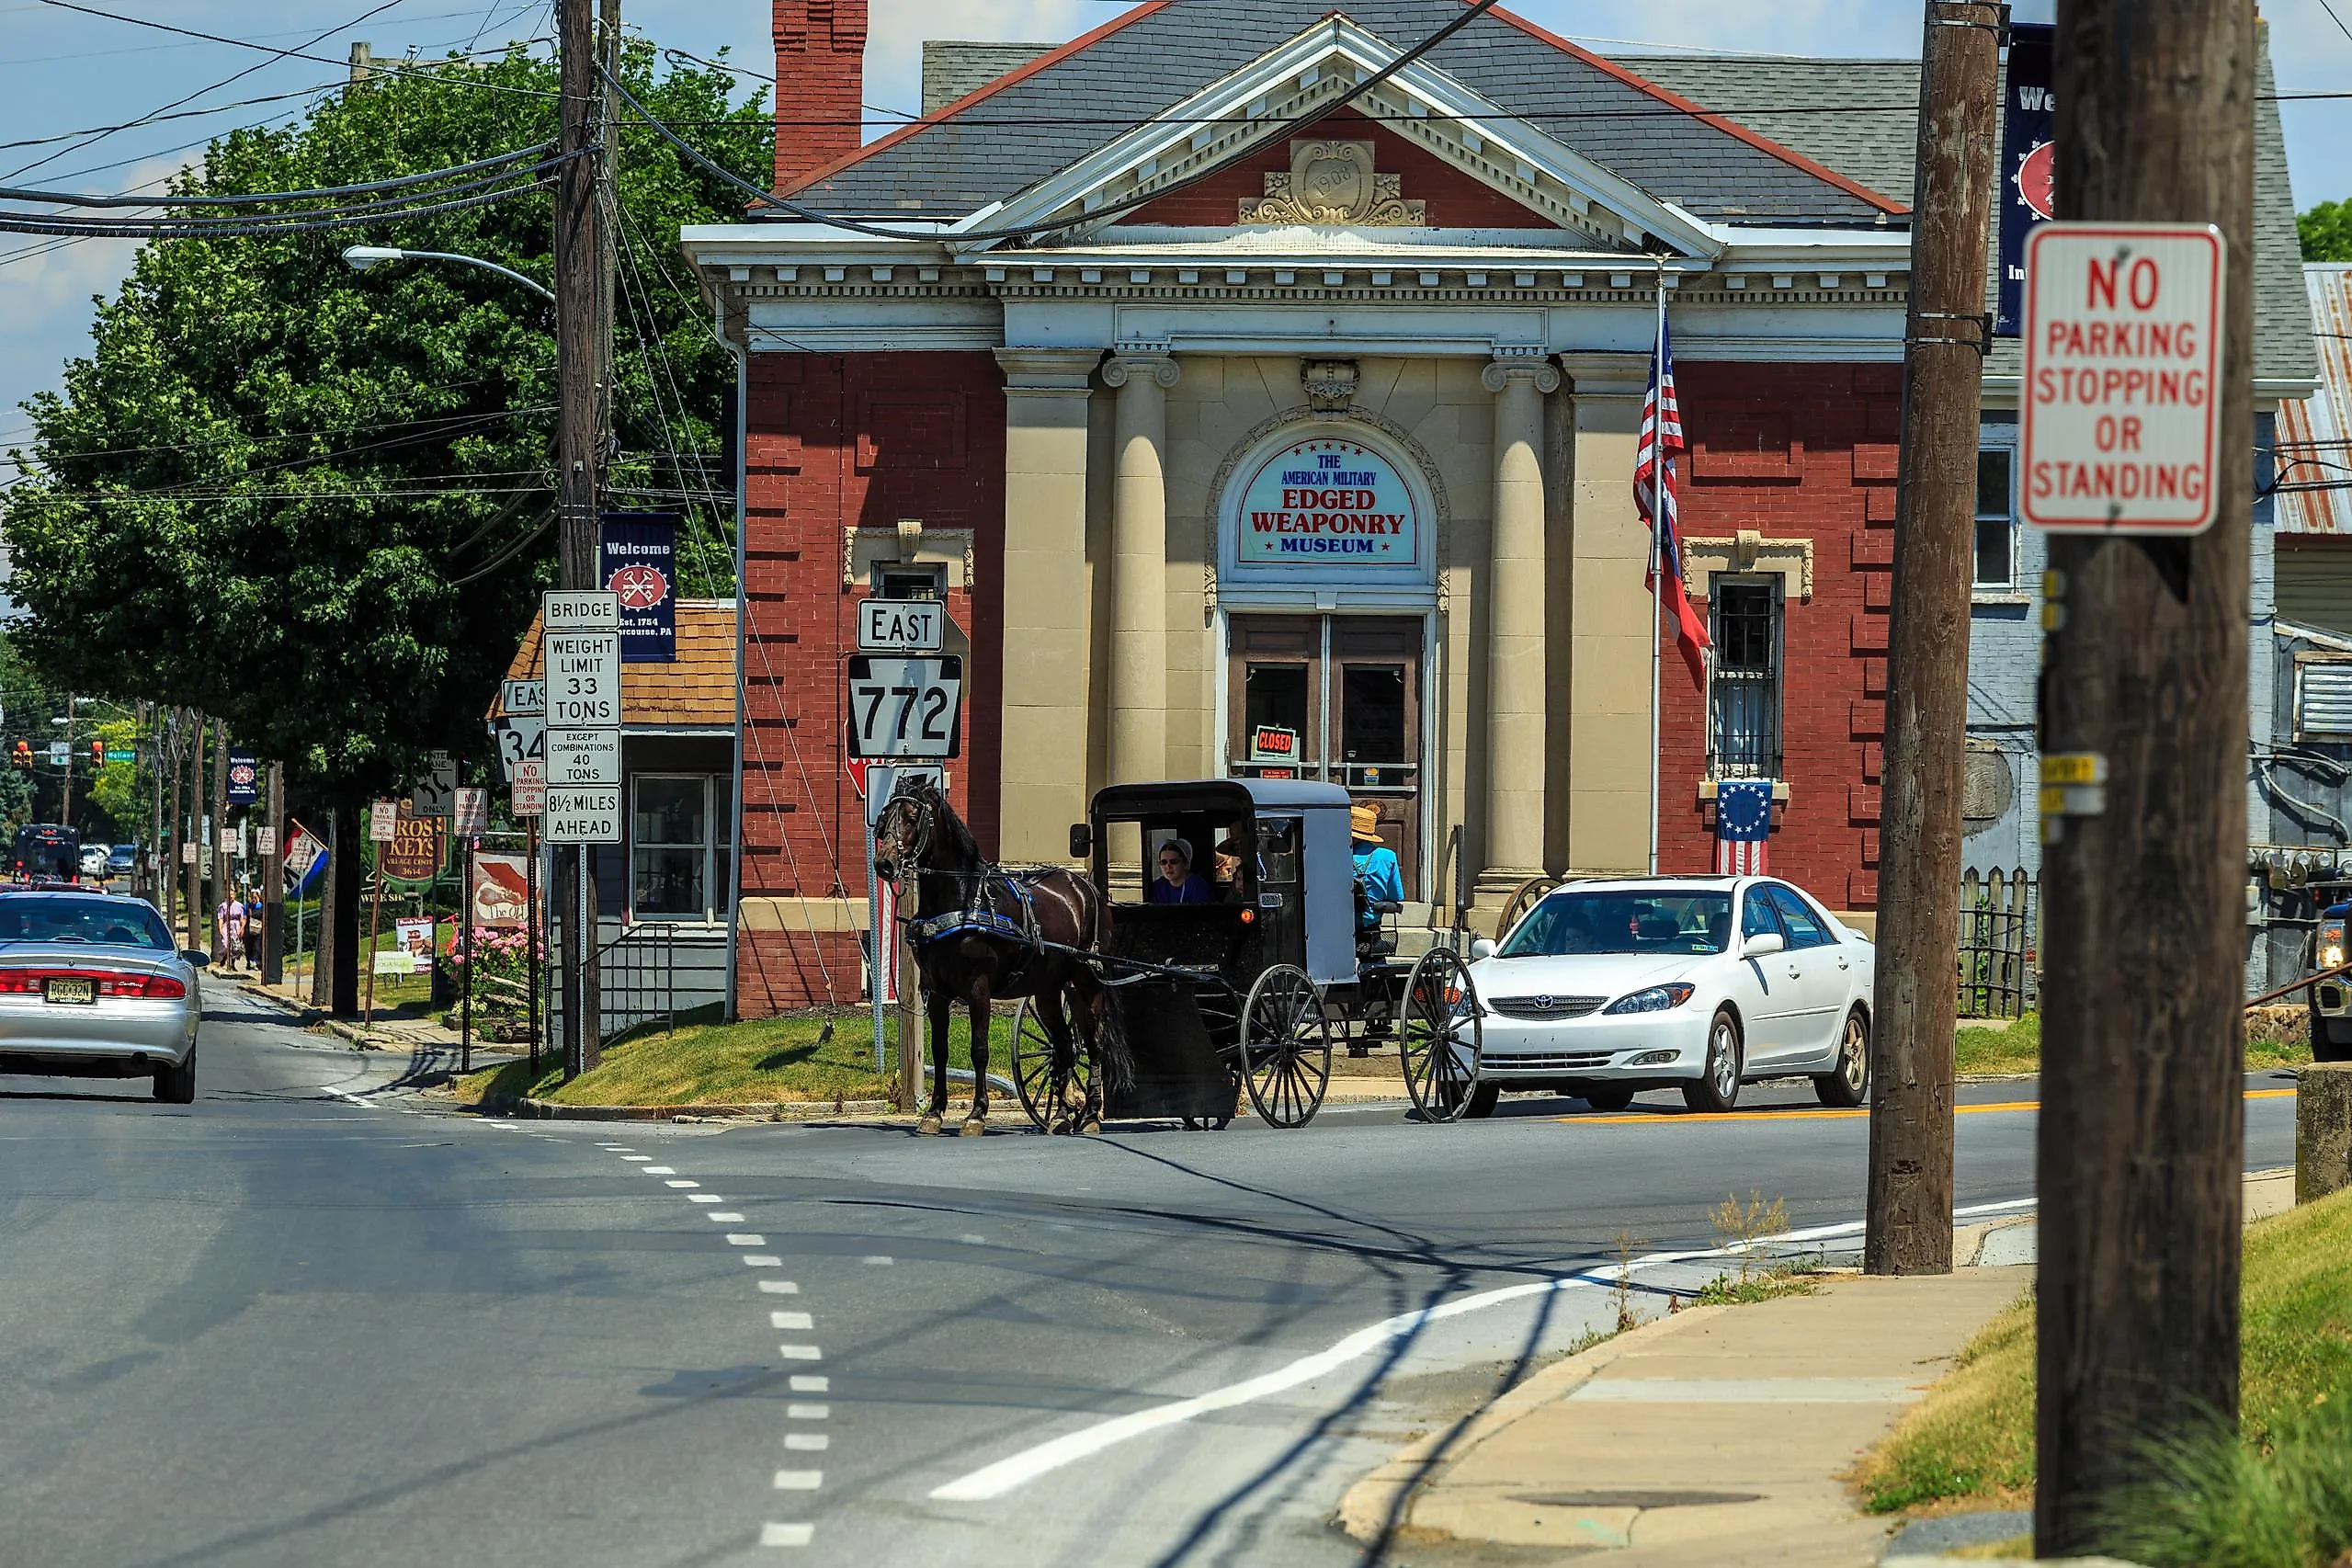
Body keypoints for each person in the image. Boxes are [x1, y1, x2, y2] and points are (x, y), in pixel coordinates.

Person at [1351, 803, 1403, 929]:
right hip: (1371, 925)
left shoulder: (1335, 856)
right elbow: (1396, 895)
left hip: (1340, 924)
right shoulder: (1387, 857)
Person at [1146, 837, 1213, 904]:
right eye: (1164, 862)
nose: (1168, 866)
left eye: (1173, 861)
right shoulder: (1159, 886)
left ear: (1186, 864)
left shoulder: (1196, 884)